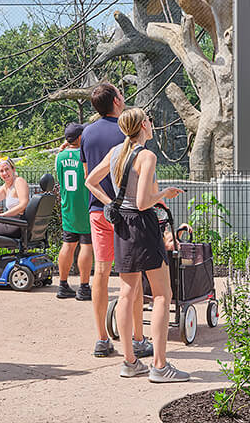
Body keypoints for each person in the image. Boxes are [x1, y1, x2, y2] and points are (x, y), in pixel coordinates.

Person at [84, 109, 188, 384]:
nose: (153, 125)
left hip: (121, 225)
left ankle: (130, 362)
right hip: (142, 224)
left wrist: (110, 204)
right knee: (163, 295)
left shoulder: (116, 151)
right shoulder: (146, 155)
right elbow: (144, 201)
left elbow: (90, 181)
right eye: (150, 121)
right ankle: (160, 365)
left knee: (127, 293)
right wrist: (164, 193)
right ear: (143, 125)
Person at [78, 82, 149, 362]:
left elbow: (88, 173)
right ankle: (138, 338)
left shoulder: (87, 133)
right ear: (117, 101)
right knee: (131, 275)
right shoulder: (126, 130)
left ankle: (102, 338)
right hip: (128, 211)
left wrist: (106, 201)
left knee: (101, 273)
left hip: (99, 211)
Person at [53, 123, 93, 301]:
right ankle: (84, 287)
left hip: (67, 207)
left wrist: (64, 147)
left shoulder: (59, 157)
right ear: (79, 138)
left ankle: (62, 285)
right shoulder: (86, 155)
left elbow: (60, 161)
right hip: (85, 206)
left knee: (68, 245)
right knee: (86, 245)